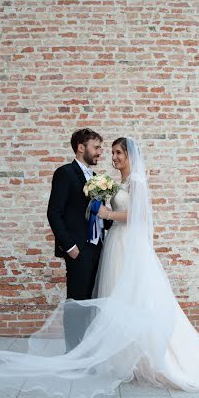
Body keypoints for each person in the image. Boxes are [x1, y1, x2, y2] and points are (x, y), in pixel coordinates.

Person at [0, 137, 199, 398]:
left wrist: (106, 212)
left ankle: (142, 359)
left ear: (130, 155)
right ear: (81, 148)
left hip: (125, 246)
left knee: (131, 299)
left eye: (117, 153)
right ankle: (117, 356)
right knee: (116, 301)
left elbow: (139, 217)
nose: (112, 157)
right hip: (113, 245)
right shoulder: (113, 181)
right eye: (109, 152)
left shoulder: (136, 181)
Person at [47, 128, 111, 352]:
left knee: (92, 302)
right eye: (96, 147)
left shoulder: (95, 178)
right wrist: (70, 246)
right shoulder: (64, 173)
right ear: (80, 148)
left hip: (97, 248)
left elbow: (98, 214)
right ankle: (73, 353)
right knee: (76, 304)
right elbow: (54, 213)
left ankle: (89, 351)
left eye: (101, 148)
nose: (100, 152)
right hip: (78, 250)